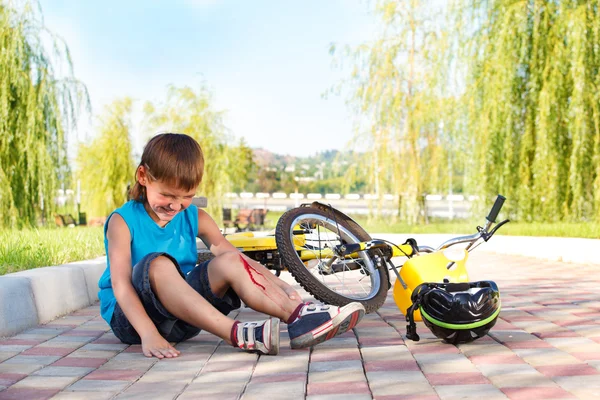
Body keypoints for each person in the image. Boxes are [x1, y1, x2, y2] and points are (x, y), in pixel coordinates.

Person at [98, 133, 365, 358]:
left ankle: (298, 317)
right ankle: (236, 333)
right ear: (143, 176)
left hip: (185, 319)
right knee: (157, 264)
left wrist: (280, 286)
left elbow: (235, 258)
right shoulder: (123, 221)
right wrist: (148, 334)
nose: (175, 205)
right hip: (132, 321)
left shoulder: (195, 217)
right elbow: (121, 285)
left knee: (229, 259)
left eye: (186, 197)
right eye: (167, 195)